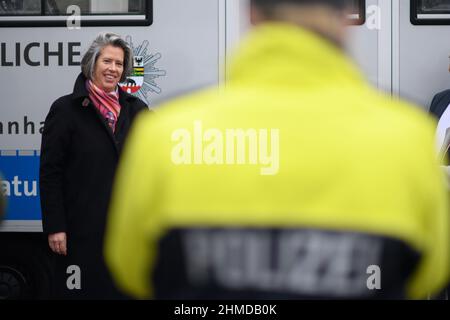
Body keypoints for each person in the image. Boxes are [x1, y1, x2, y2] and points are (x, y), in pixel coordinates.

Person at [105, 0, 449, 300]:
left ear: (252, 14)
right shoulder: (409, 139)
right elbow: (431, 272)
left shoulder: (163, 135)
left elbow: (129, 267)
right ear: (347, 16)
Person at [39, 32, 148, 299]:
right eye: (107, 61)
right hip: (80, 231)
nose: (113, 69)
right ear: (92, 63)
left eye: (119, 64)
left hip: (123, 231)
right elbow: (50, 171)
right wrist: (56, 226)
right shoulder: (66, 109)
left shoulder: (137, 109)